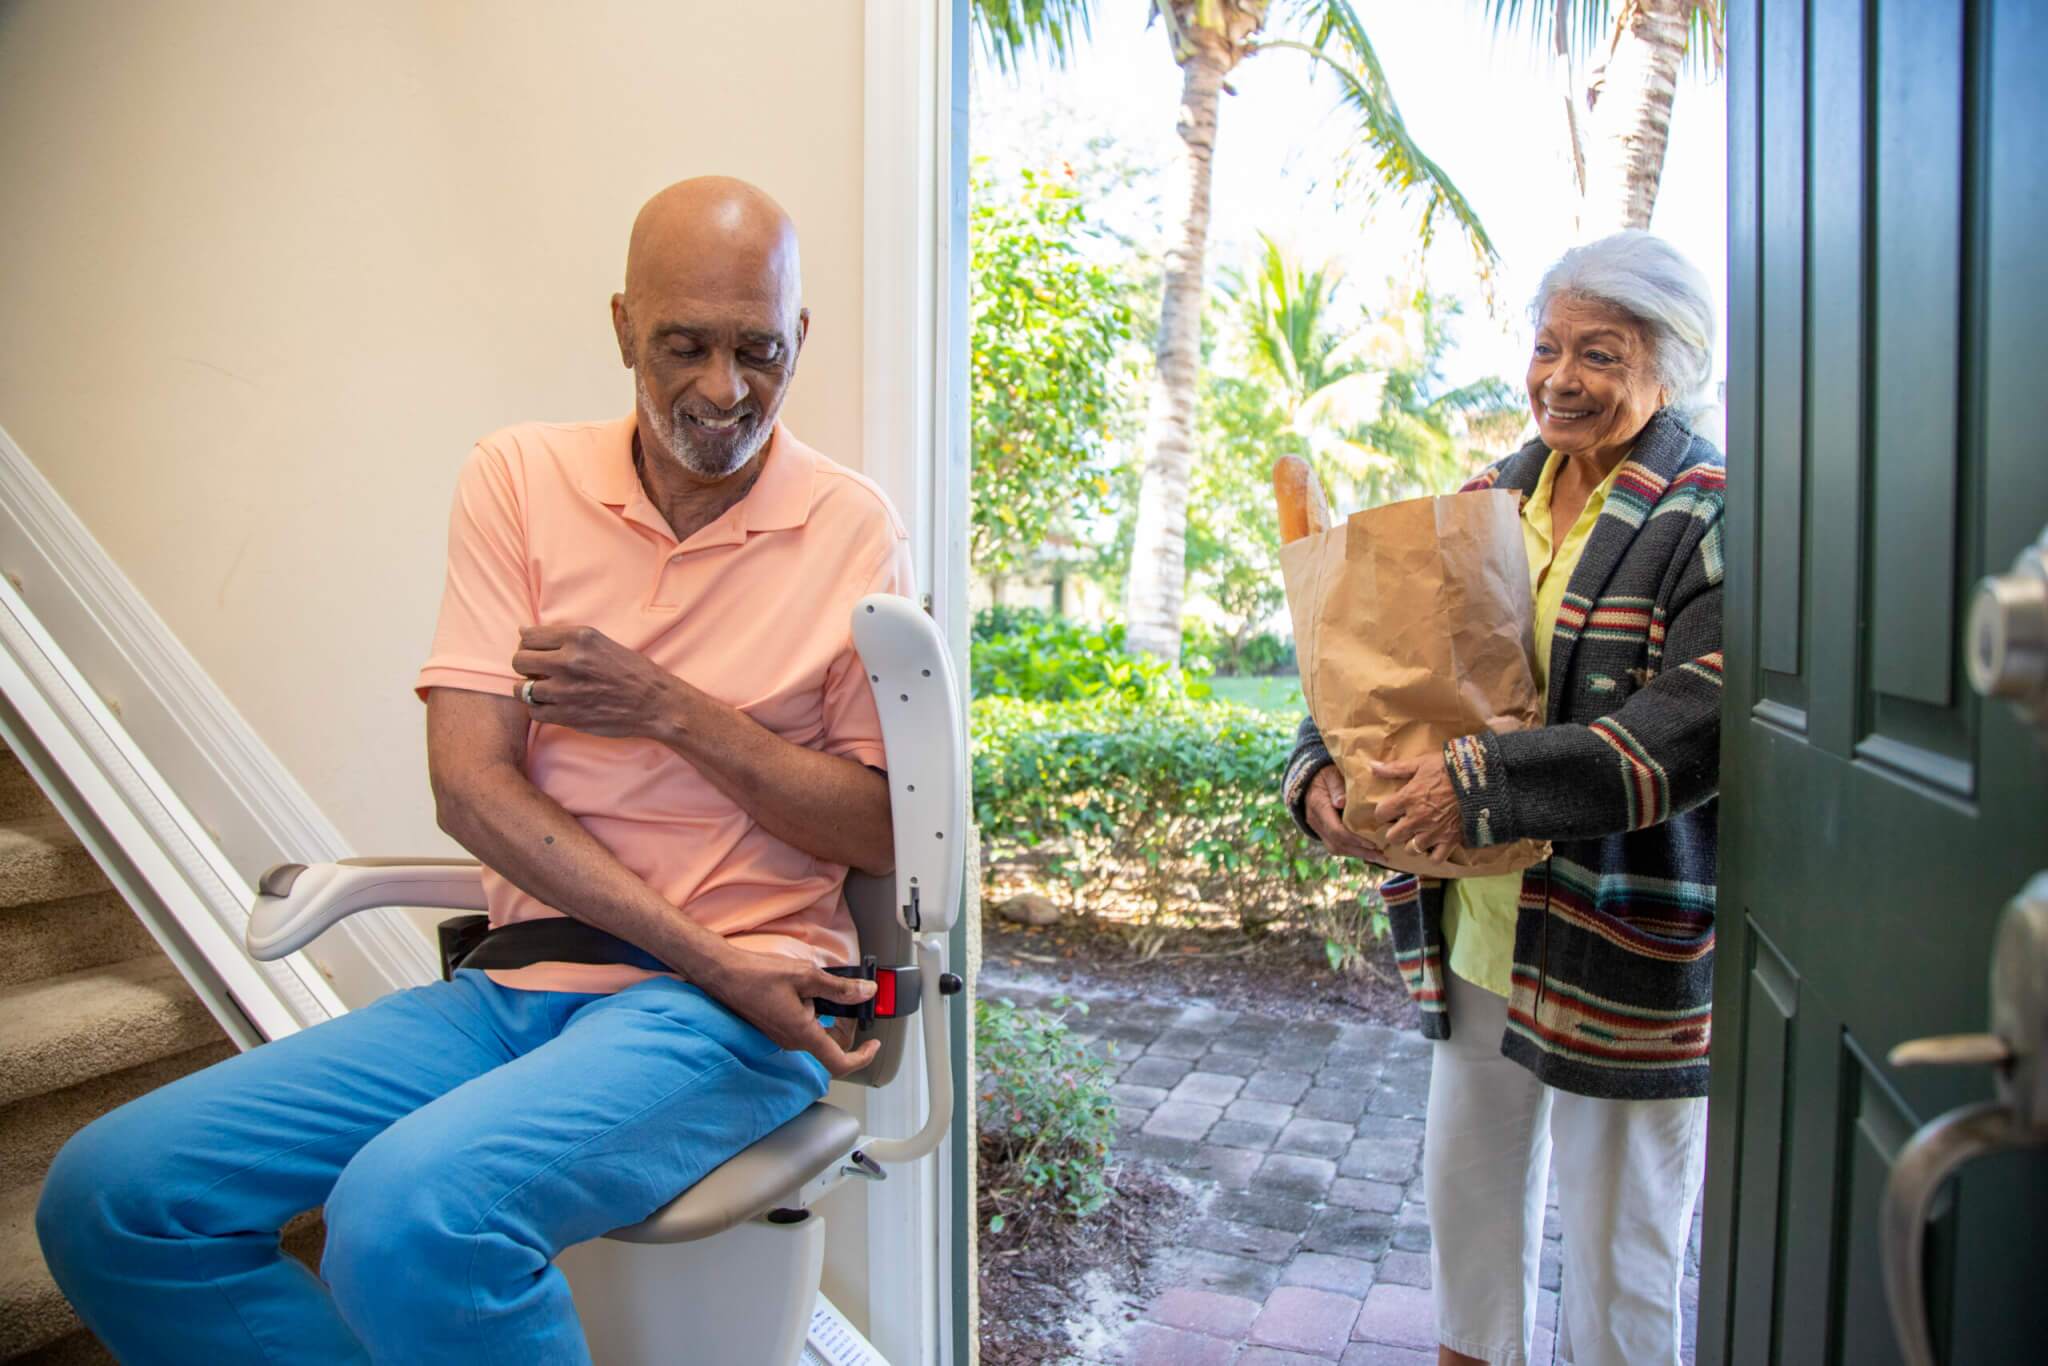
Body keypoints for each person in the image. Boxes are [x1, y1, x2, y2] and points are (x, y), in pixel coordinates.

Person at [36, 177, 914, 1364]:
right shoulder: (518, 480)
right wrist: (694, 940)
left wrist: (668, 710)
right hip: (517, 989)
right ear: (620, 330)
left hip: (727, 1012)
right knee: (117, 1196)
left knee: (414, 1218)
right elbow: (472, 788)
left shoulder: (852, 526)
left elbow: (872, 826)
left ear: (799, 337)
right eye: (683, 345)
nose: (724, 387)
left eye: (758, 348)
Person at [1283, 231, 1725, 1366]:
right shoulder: (1490, 496)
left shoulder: (1705, 513)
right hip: (1479, 921)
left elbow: (1695, 720)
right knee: (1468, 1216)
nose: (1561, 378)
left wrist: (1482, 780)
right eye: (1546, 347)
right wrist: (1316, 771)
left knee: (1623, 1248)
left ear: (1665, 367)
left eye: (1600, 353)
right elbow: (1378, 652)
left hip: (1617, 934)